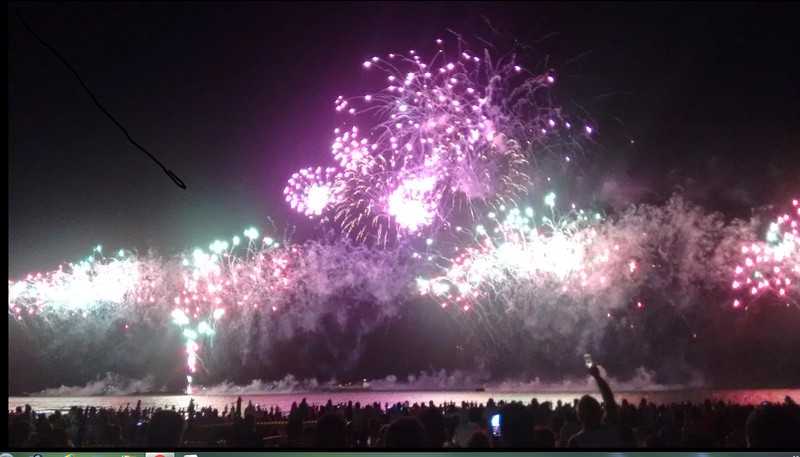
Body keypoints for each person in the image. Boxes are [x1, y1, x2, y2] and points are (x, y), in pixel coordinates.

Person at [568, 365, 624, 447]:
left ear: (579, 416)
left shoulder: (576, 441)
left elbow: (610, 403)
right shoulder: (610, 430)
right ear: (600, 412)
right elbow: (610, 401)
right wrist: (597, 377)